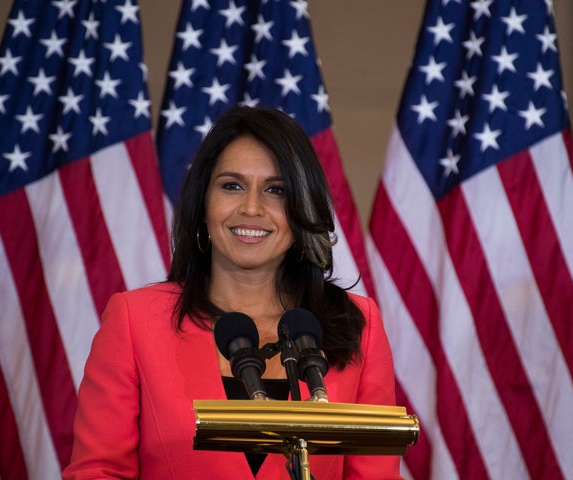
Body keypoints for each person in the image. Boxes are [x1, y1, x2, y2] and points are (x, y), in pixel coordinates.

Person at [62, 106, 404, 479]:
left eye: (276, 190)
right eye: (232, 185)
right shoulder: (134, 321)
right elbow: (99, 471)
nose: (252, 208)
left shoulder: (357, 324)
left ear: (302, 208)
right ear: (203, 204)